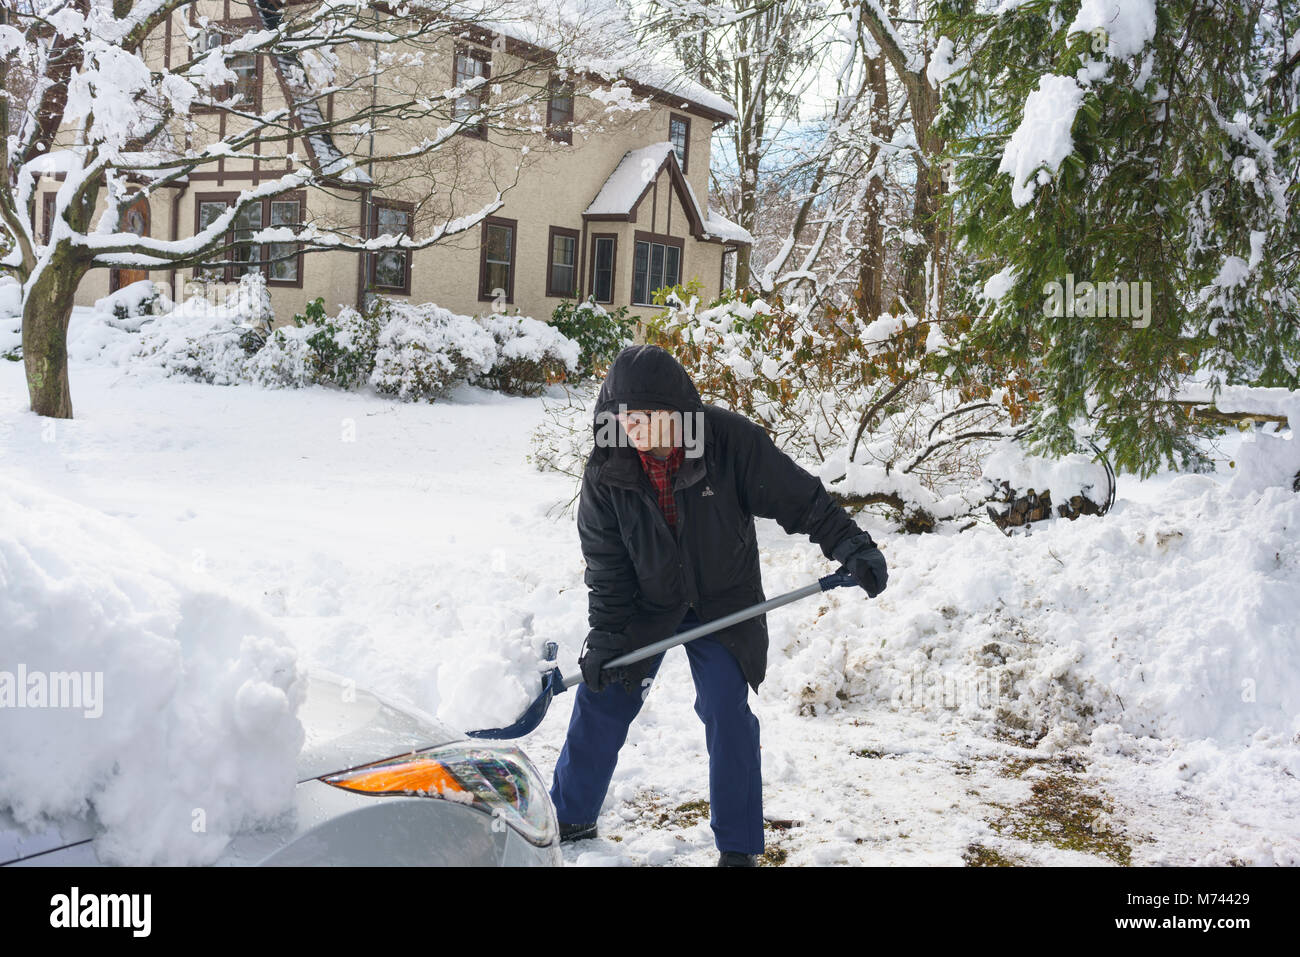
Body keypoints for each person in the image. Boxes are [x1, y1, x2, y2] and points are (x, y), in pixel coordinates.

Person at [548, 344, 887, 866]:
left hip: (723, 598)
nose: (632, 428)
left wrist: (851, 545)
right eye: (623, 416)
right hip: (644, 600)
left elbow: (801, 500)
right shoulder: (607, 469)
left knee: (726, 710)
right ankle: (569, 816)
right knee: (603, 694)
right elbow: (607, 565)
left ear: (677, 413)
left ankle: (739, 848)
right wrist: (606, 634)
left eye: (645, 416)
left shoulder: (729, 443)